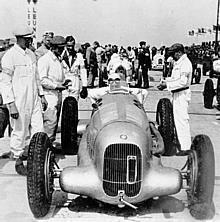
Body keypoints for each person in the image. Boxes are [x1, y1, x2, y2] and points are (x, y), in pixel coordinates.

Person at [0, 26, 47, 175]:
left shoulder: (31, 55)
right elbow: (5, 82)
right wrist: (11, 104)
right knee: (19, 131)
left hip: (34, 99)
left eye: (30, 39)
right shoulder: (10, 56)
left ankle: (37, 159)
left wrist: (42, 95)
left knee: (39, 128)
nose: (30, 41)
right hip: (19, 100)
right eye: (27, 39)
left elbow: (37, 77)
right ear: (20, 38)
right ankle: (18, 160)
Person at [157, 43, 192, 151]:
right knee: (176, 119)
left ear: (179, 52)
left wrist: (167, 85)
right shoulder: (179, 63)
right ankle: (180, 143)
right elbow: (175, 78)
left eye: (174, 54)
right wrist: (166, 81)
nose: (172, 56)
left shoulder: (185, 63)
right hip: (176, 93)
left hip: (182, 94)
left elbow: (183, 82)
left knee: (182, 120)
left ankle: (185, 147)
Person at [38, 36, 66, 145]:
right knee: (50, 122)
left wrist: (63, 82)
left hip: (57, 94)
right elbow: (42, 79)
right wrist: (55, 86)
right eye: (60, 48)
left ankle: (50, 144)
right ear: (54, 48)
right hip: (48, 94)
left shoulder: (57, 60)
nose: (62, 50)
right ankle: (44, 147)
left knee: (54, 122)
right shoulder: (45, 60)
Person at [61, 35, 88, 100]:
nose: (70, 48)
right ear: (65, 46)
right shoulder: (61, 56)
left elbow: (83, 71)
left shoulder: (79, 56)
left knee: (74, 105)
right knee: (63, 105)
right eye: (68, 46)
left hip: (75, 83)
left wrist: (84, 86)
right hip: (64, 83)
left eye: (72, 46)